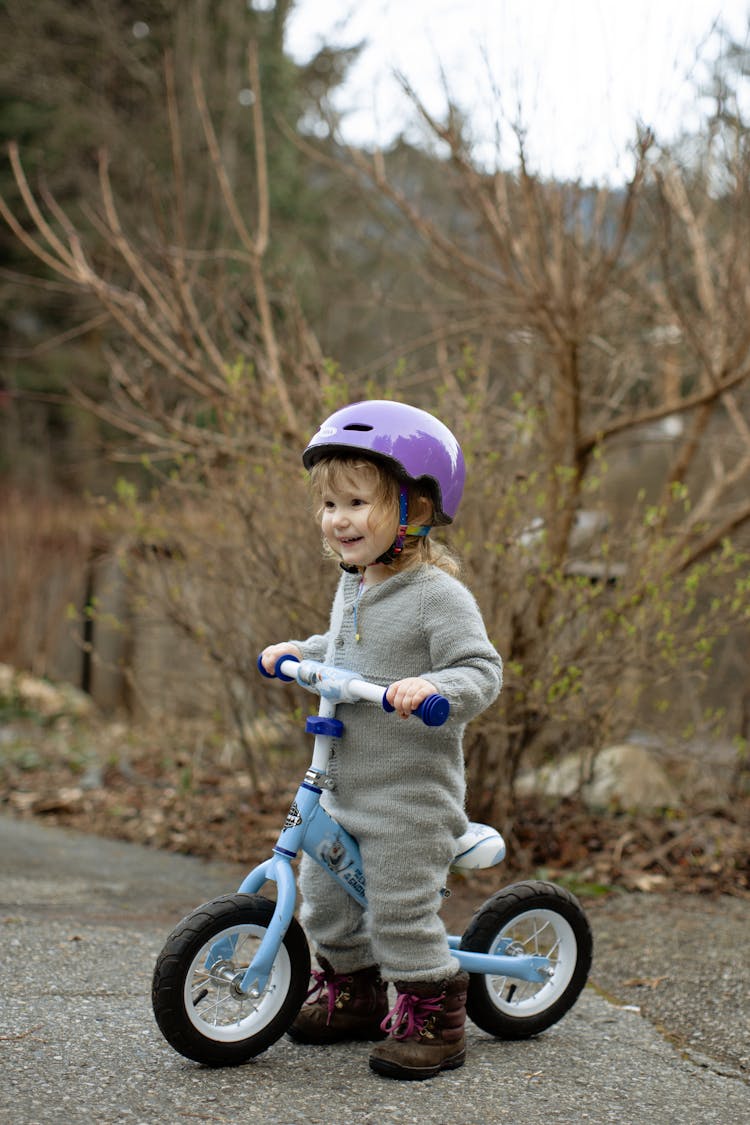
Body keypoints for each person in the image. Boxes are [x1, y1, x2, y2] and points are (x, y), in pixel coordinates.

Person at [260, 399, 503, 1081]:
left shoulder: (436, 596)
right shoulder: (354, 584)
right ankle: (353, 993)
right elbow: (343, 651)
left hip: (408, 796)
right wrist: (297, 651)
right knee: (326, 899)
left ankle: (434, 1010)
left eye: (356, 501)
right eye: (329, 502)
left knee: (397, 907)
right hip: (342, 783)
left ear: (415, 510)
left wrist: (433, 689)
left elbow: (480, 671)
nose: (337, 517)